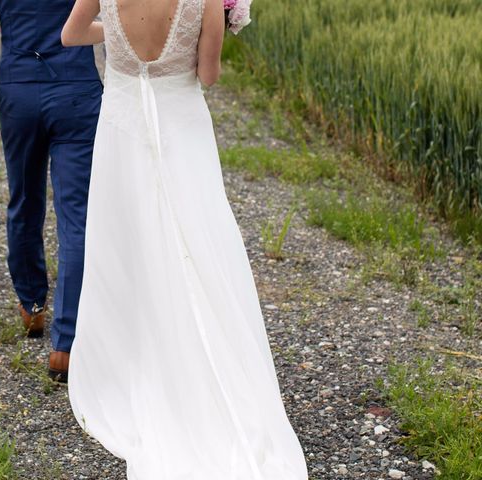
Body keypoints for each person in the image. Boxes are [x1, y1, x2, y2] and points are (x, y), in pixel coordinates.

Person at [61, 0, 309, 477]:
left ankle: (132, 359)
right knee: (197, 235)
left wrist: (114, 34)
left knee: (127, 242)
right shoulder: (205, 1)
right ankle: (204, 361)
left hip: (122, 128)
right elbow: (209, 75)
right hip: (182, 132)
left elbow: (71, 36)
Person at [0, 0, 103, 382]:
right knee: (77, 216)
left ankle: (32, 304)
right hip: (77, 91)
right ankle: (65, 345)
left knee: (24, 199)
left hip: (20, 91)